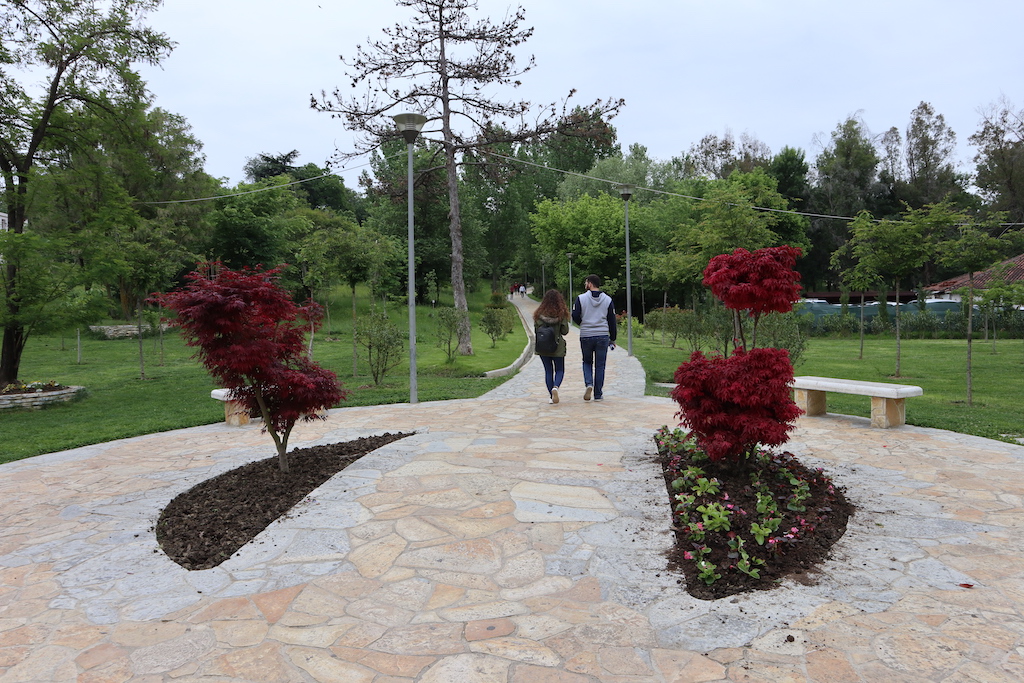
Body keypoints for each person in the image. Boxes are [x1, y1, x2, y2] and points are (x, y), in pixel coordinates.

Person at [571, 274, 616, 401]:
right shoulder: (607, 300)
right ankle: (598, 394)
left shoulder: (581, 298)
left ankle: (589, 383)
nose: (585, 285)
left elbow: (574, 315)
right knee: (600, 365)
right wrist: (613, 338)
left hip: (586, 334)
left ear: (590, 284)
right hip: (602, 335)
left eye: (586, 282)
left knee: (587, 362)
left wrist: (583, 323)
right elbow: (612, 320)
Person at [533, 289, 570, 404]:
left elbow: (536, 330)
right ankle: (556, 387)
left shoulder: (539, 314)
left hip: (542, 347)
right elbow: (565, 331)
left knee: (548, 371)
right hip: (557, 347)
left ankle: (551, 396)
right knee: (559, 370)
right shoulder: (561, 314)